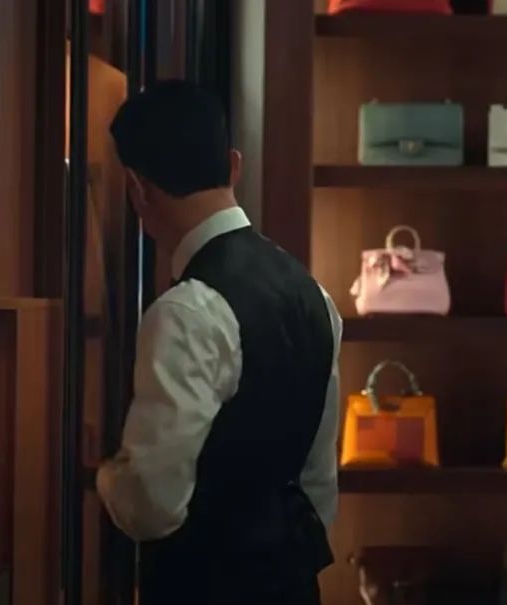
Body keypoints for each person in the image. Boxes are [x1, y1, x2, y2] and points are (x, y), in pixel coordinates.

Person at [97, 80, 341, 604]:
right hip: (293, 587)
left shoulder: (186, 310)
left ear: (137, 188)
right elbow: (318, 480)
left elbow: (152, 505)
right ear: (234, 166)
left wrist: (104, 475)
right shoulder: (313, 294)